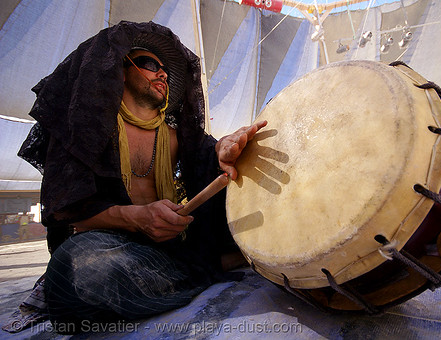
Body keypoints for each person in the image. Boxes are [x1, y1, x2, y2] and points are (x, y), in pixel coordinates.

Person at [8, 21, 266, 333]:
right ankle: (215, 264)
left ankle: (197, 267)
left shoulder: (178, 135)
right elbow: (66, 213)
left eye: (164, 69)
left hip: (176, 243)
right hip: (115, 243)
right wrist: (137, 218)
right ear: (118, 69)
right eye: (149, 64)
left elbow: (211, 155)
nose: (163, 73)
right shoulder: (86, 130)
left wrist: (225, 150)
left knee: (244, 191)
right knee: (79, 271)